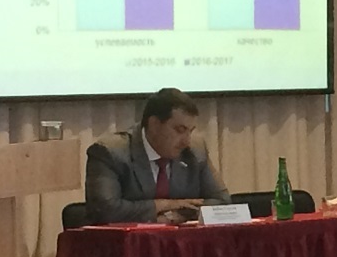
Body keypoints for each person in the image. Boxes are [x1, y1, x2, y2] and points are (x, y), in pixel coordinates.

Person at [85, 87, 231, 224]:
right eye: (180, 130)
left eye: (190, 131)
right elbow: (105, 211)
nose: (186, 141)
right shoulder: (110, 153)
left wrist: (175, 216)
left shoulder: (194, 151)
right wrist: (163, 205)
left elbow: (222, 202)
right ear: (154, 125)